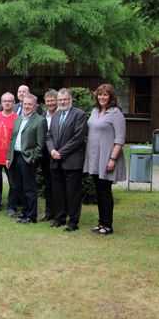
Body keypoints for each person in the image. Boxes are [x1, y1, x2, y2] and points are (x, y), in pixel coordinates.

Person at [83, 84, 126, 235]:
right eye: (100, 95)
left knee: (105, 191)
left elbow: (120, 139)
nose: (102, 97)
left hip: (107, 157)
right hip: (94, 158)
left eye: (105, 95)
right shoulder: (94, 111)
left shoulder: (116, 113)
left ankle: (108, 225)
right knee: (99, 191)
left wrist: (112, 159)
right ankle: (101, 223)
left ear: (111, 97)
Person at [46, 88, 87, 232]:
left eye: (65, 99)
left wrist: (60, 153)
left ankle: (73, 221)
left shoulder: (79, 115)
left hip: (72, 161)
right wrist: (51, 150)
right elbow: (49, 135)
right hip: (55, 160)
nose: (62, 102)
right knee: (58, 192)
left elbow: (78, 138)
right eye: (60, 99)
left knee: (72, 193)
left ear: (71, 100)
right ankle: (60, 218)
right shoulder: (56, 115)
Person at [7, 94, 47, 224]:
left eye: (30, 104)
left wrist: (32, 158)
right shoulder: (18, 119)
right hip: (15, 156)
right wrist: (9, 157)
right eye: (25, 104)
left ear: (35, 106)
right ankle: (24, 213)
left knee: (29, 188)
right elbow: (12, 139)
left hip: (27, 158)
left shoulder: (40, 120)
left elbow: (40, 145)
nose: (27, 106)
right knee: (18, 187)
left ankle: (31, 215)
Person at [0, 92, 18, 214]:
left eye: (10, 101)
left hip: (11, 157)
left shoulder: (18, 119)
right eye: (5, 101)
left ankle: (11, 206)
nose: (7, 103)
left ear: (13, 103)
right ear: (1, 103)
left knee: (13, 184)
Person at [40, 89, 58, 222]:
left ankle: (59, 213)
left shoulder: (61, 114)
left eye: (53, 100)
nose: (50, 103)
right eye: (48, 101)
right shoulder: (42, 115)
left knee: (57, 184)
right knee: (48, 184)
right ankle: (49, 212)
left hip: (58, 154)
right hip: (45, 155)